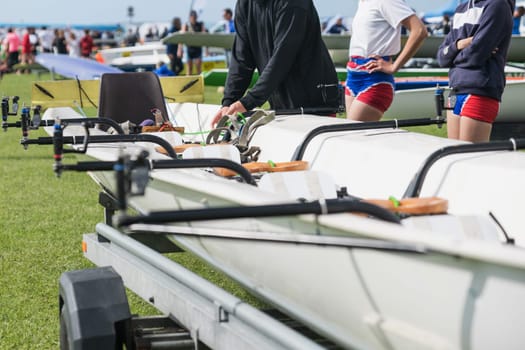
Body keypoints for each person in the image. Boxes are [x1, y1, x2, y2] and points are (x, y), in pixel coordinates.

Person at [211, 0, 340, 127]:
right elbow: (241, 59)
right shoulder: (244, 4)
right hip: (280, 100)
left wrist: (248, 102)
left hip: (314, 102)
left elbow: (283, 56)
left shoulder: (294, 3)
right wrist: (228, 102)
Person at [437, 0, 515, 142]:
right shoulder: (461, 9)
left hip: (480, 91)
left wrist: (453, 57)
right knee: (454, 159)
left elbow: (475, 55)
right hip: (455, 91)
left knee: (469, 160)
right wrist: (460, 44)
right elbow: (441, 58)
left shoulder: (498, 5)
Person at [345, 0, 428, 122]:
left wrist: (394, 67)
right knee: (354, 136)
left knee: (352, 134)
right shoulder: (363, 3)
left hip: (374, 79)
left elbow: (420, 30)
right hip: (353, 76)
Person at [178, 10, 206, 75]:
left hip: (198, 49)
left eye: (195, 17)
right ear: (190, 17)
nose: (194, 18)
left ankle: (200, 83)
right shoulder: (186, 25)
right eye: (192, 17)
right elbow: (181, 38)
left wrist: (206, 49)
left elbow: (205, 37)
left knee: (198, 68)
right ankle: (189, 83)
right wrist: (179, 49)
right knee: (189, 69)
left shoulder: (200, 25)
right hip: (189, 49)